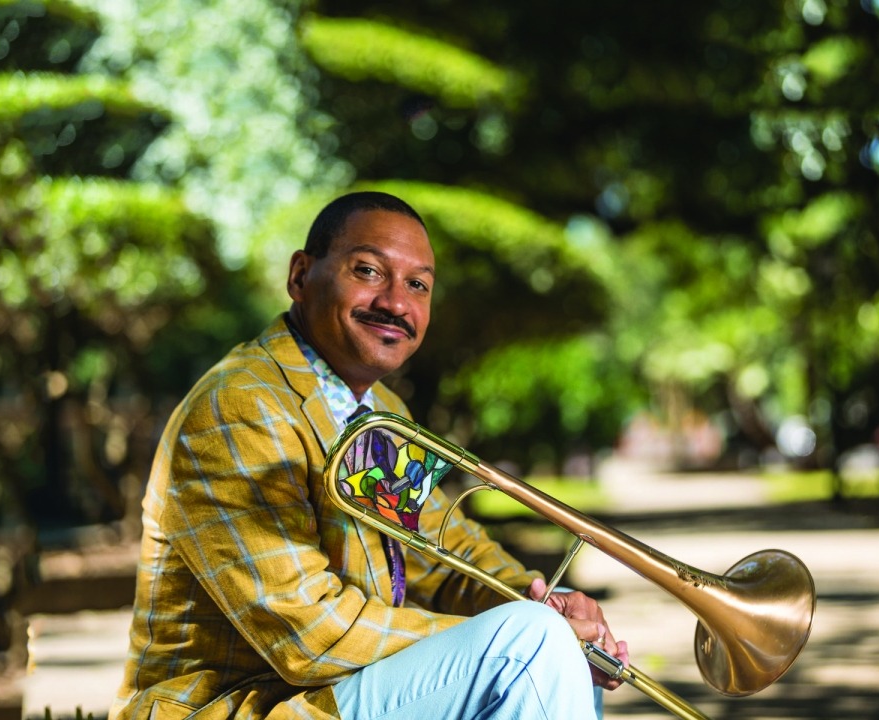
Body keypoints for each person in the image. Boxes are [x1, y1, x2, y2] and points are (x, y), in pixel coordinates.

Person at [109, 191, 629, 720]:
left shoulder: (379, 408)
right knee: (535, 644)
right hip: (233, 708)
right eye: (369, 271)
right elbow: (309, 633)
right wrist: (527, 632)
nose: (396, 303)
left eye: (418, 285)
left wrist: (541, 599)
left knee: (557, 641)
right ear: (300, 277)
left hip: (327, 698)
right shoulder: (238, 406)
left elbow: (444, 554)